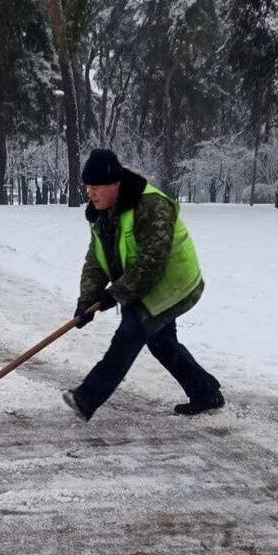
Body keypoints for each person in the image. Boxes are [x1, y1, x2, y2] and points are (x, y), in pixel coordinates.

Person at [63, 149, 223, 421]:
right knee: (161, 341)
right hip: (143, 284)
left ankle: (87, 398)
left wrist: (113, 295)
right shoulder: (101, 214)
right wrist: (86, 302)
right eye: (87, 187)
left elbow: (152, 262)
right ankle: (205, 392)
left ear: (115, 184)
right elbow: (96, 260)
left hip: (174, 283)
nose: (90, 193)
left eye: (96, 187)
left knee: (130, 333)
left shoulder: (151, 206)